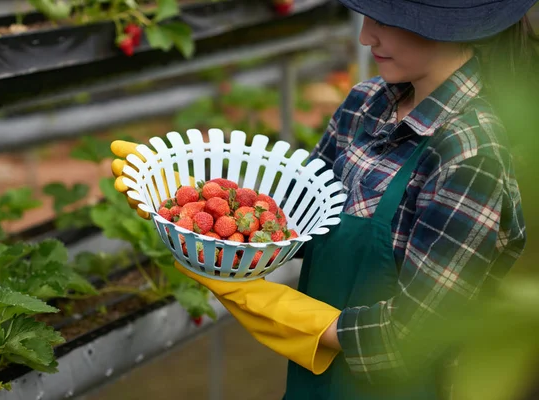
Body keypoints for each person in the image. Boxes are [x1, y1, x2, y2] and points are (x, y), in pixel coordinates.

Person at [111, 1, 537, 398]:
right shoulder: (365, 104)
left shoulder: (472, 155)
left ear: (452, 29)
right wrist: (198, 203)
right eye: (366, 15)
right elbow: (300, 221)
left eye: (385, 19)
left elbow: (407, 341)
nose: (366, 36)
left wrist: (276, 309)